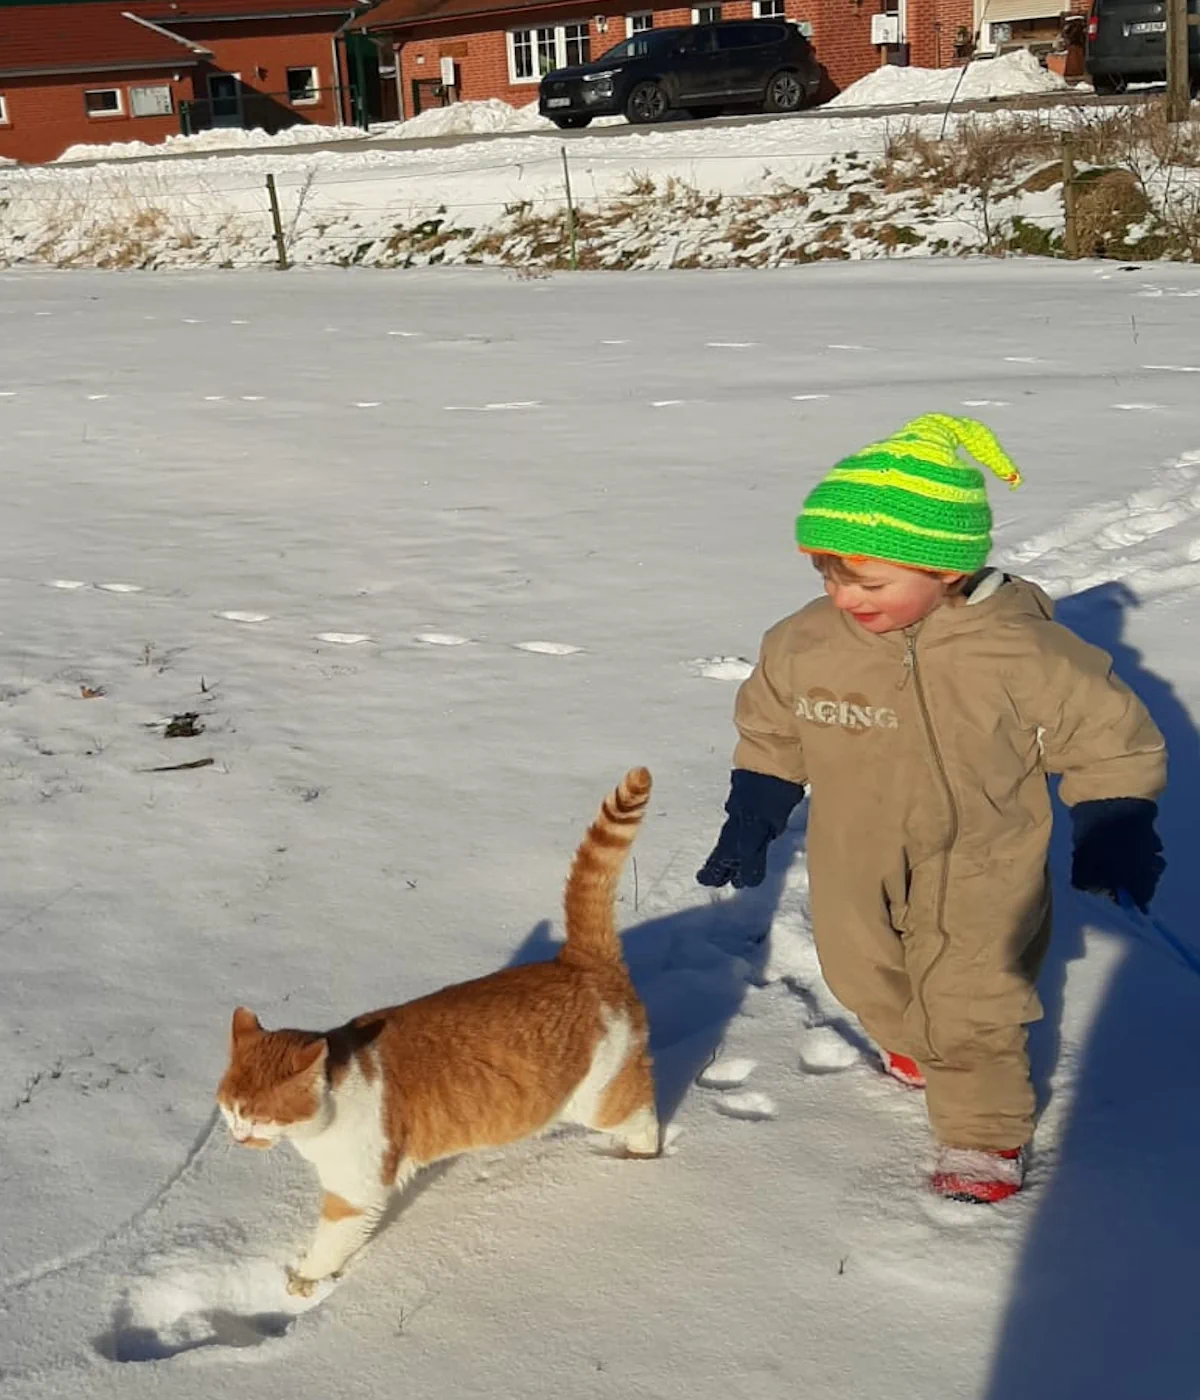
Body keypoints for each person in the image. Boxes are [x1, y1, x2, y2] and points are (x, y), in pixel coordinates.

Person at [697, 414, 1166, 1203]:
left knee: (970, 995)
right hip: (856, 844)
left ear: (947, 569)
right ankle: (923, 1045)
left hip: (984, 852)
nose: (844, 596)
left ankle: (982, 1131)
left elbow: (1109, 734)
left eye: (868, 582)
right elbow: (774, 729)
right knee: (860, 972)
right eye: (829, 575)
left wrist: (1115, 819)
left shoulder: (1021, 650)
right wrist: (755, 809)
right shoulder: (805, 643)